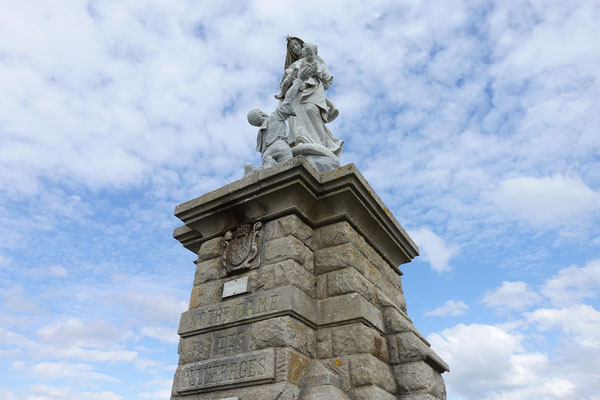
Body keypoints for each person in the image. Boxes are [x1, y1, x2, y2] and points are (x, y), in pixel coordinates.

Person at [244, 64, 316, 176]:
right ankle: (268, 164)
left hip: (267, 152)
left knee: (268, 170)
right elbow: (288, 98)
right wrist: (299, 79)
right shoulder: (274, 117)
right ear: (262, 114)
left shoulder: (260, 134)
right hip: (280, 146)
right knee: (289, 170)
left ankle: (257, 169)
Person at [278, 38, 343, 158]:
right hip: (296, 95)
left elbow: (327, 78)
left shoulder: (315, 60)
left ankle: (321, 146)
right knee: (297, 118)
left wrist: (314, 73)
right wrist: (293, 77)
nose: (295, 48)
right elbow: (283, 85)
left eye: (296, 44)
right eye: (292, 48)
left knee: (310, 111)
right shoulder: (292, 66)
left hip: (312, 91)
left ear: (302, 44)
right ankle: (302, 143)